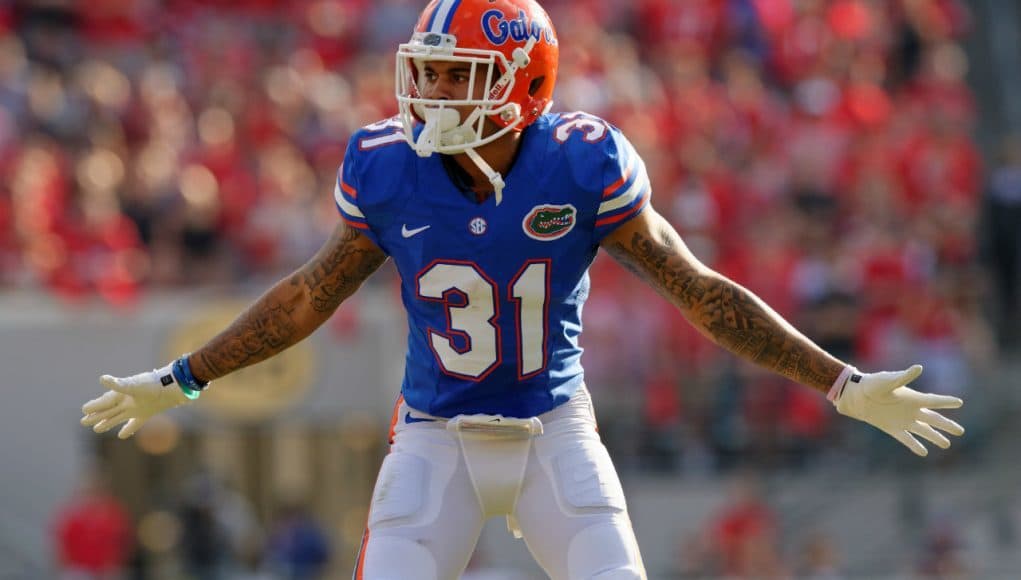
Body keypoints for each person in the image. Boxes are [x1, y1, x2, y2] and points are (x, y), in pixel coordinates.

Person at [79, 1, 966, 578]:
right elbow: (310, 297)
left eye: (454, 75)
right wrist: (185, 376)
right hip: (430, 438)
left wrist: (839, 385)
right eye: (424, 71)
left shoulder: (580, 162)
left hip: (554, 433)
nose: (427, 92)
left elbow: (698, 293)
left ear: (522, 85)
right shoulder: (386, 167)